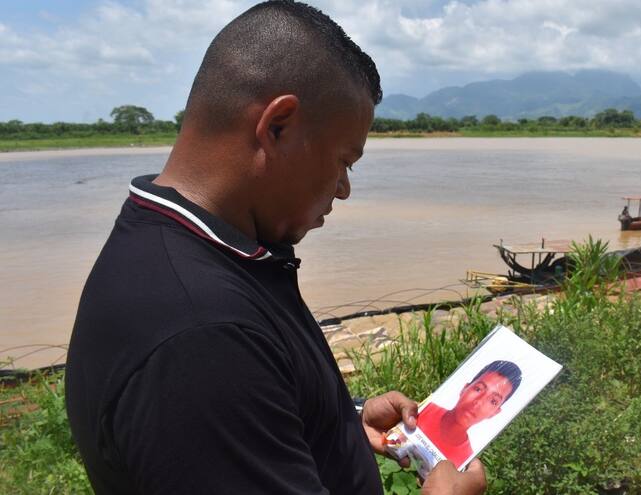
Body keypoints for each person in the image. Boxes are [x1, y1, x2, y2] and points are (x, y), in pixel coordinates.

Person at [64, 2, 486, 494]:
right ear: (278, 124)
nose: (344, 188)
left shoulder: (188, 249)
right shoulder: (201, 335)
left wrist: (339, 422)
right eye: (344, 159)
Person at [417, 361, 523, 467]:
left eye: (493, 401)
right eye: (478, 389)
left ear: (495, 413)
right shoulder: (421, 410)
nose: (478, 402)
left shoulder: (465, 460)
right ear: (464, 388)